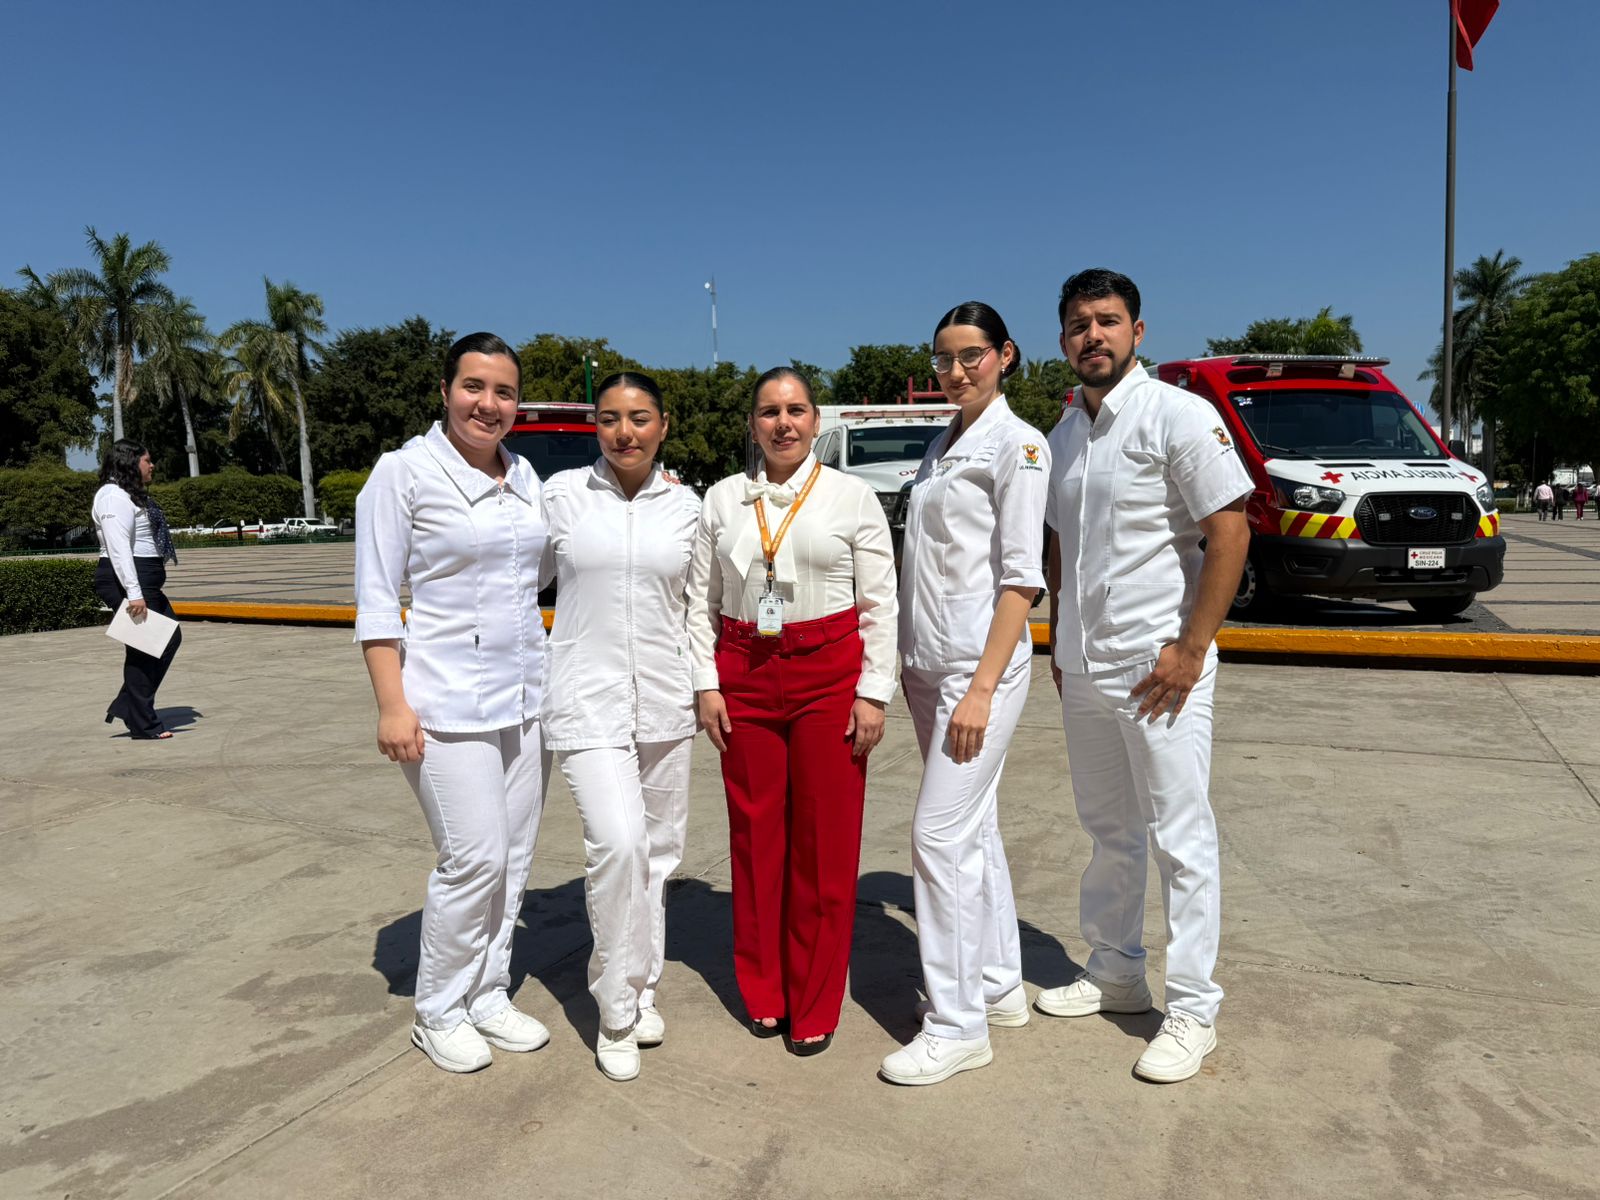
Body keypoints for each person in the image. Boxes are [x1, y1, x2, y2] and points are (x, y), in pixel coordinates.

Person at [1039, 269, 1252, 1084]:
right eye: (1078, 324)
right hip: (1084, 665)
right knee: (1109, 829)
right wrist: (1061, 644)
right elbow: (1060, 549)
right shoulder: (1064, 434)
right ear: (1063, 339)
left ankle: (1193, 1008)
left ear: (1138, 331)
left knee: (1179, 836)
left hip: (1159, 665)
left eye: (1107, 320)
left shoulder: (1178, 416)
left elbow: (1229, 531)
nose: (1092, 335)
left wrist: (1192, 647)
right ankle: (1116, 971)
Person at [355, 332, 553, 1074]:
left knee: (515, 859)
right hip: (443, 704)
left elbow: (541, 576)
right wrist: (392, 704)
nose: (488, 404)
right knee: (473, 858)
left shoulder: (525, 476)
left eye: (504, 392)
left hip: (525, 699)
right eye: (474, 386)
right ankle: (438, 1010)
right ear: (445, 391)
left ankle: (488, 992)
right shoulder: (403, 473)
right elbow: (377, 600)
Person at [687, 366, 898, 1055]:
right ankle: (765, 991)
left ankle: (814, 1001)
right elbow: (700, 601)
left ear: (815, 421)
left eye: (797, 410)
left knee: (823, 844)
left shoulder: (851, 497)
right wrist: (706, 684)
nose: (784, 423)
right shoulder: (723, 498)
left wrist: (874, 691)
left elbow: (880, 603)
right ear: (753, 424)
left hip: (827, 675)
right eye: (770, 411)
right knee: (755, 839)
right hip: (744, 672)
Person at [879, 303, 1049, 1087]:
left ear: (1004, 356)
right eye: (943, 359)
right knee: (971, 828)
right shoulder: (943, 443)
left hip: (977, 672)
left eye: (971, 355)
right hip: (928, 664)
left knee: (938, 836)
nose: (955, 371)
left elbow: (1021, 579)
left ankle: (956, 1026)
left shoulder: (1019, 445)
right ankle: (998, 983)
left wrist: (981, 689)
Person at [540, 372, 701, 1082]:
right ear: (595, 426)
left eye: (639, 418)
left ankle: (643, 986)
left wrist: (706, 687)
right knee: (618, 842)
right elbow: (515, 579)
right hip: (586, 697)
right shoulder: (561, 496)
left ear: (663, 426)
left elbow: (699, 606)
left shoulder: (688, 507)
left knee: (658, 854)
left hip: (666, 699)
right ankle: (614, 1010)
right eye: (609, 419)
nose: (624, 432)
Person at [92, 439, 182, 740]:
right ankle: (143, 723)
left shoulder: (129, 494)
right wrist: (134, 593)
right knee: (144, 649)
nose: (152, 465)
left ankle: (128, 706)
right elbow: (119, 548)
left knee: (168, 638)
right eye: (147, 460)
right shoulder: (112, 496)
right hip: (128, 580)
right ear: (130, 462)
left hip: (142, 579)